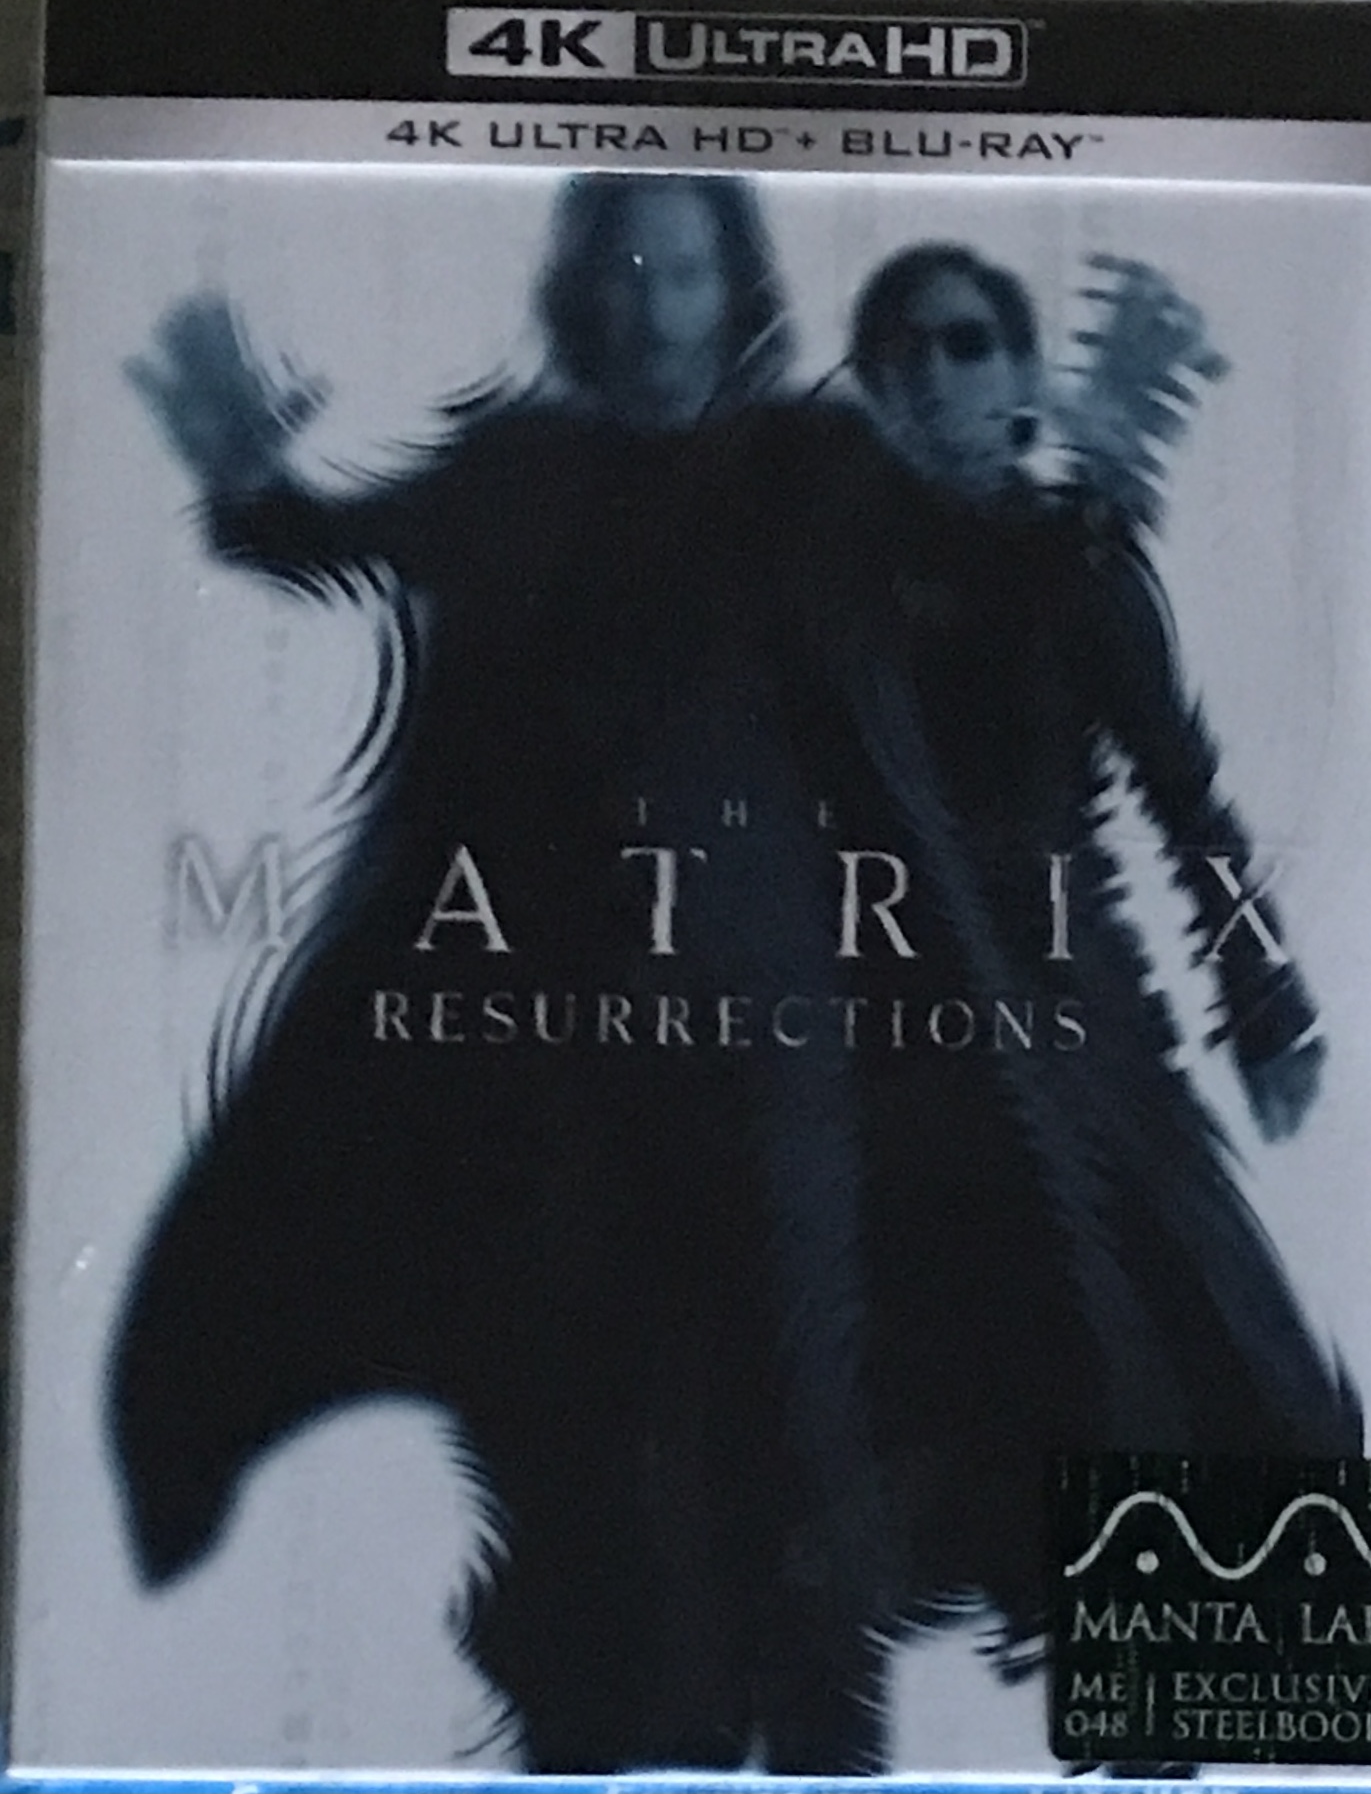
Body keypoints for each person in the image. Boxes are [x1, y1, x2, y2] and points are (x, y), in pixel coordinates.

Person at [112, 174, 900, 1775]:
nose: (648, 304)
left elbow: (964, 589)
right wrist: (243, 475)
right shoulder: (517, 466)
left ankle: (820, 1729)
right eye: (621, 267)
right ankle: (619, 1723)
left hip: (773, 1040)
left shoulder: (818, 466)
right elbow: (323, 541)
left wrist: (1081, 487)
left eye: (681, 272)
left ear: (735, 287)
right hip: (565, 1055)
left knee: (799, 1398)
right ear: (575, 290)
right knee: (585, 1404)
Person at [745, 241, 1359, 1672]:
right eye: (899, 349)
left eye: (965, 343)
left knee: (1216, 1381)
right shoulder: (820, 565)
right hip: (883, 1035)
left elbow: (1186, 800)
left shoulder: (1076, 561)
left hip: (1079, 1021)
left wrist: (1260, 994)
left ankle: (1189, 1696)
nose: (931, 371)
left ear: (1019, 371)